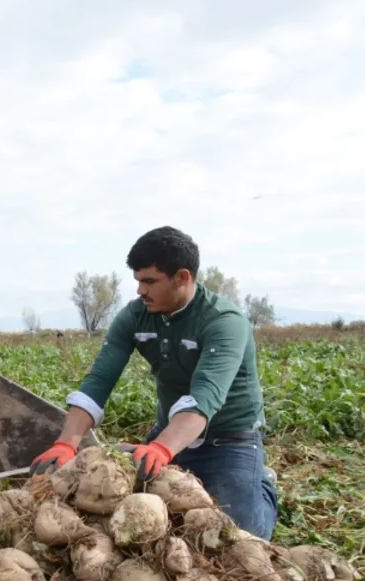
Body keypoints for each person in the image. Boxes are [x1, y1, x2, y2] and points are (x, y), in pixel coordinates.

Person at [28, 226, 279, 540]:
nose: (140, 291)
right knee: (119, 504)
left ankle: (261, 485)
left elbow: (205, 397)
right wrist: (67, 442)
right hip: (170, 433)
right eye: (137, 281)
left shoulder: (223, 321)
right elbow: (98, 381)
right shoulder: (135, 317)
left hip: (228, 440)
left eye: (149, 281)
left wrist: (161, 448)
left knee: (239, 533)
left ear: (182, 277)